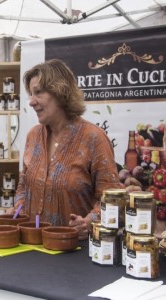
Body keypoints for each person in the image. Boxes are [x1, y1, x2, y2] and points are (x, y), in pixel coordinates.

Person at [7, 59, 123, 240]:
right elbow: (24, 185)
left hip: (75, 253)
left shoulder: (94, 138)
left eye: (38, 93)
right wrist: (18, 207)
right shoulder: (33, 136)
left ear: (60, 92)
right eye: (31, 94)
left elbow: (113, 200)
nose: (31, 102)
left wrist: (89, 222)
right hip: (32, 247)